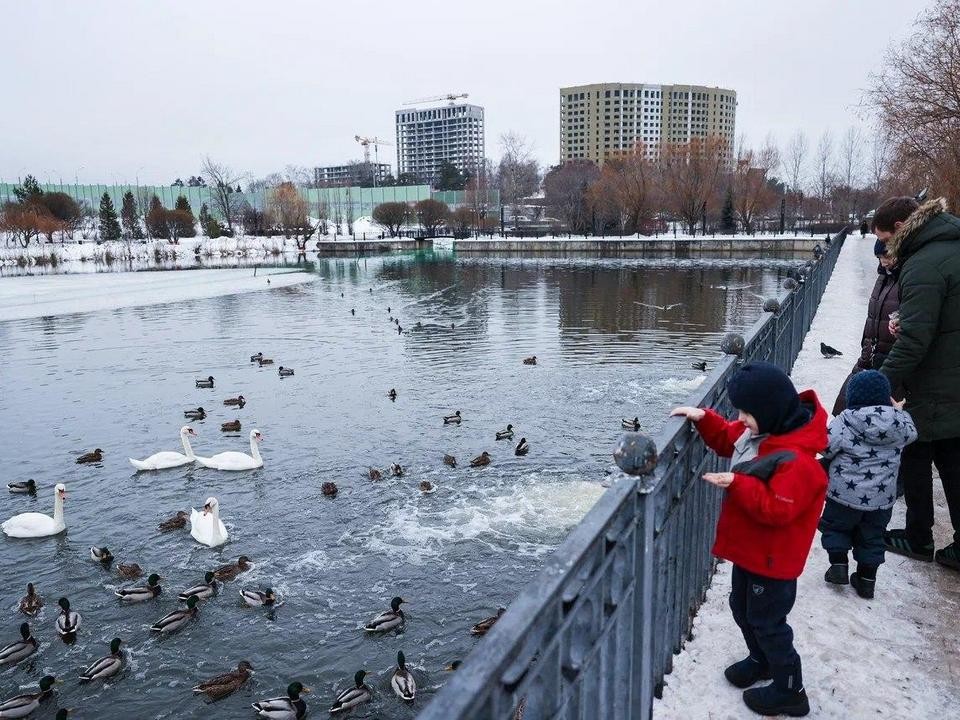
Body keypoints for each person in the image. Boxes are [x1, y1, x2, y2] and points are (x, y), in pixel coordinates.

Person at [671, 362, 828, 718]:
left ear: (769, 413)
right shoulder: (762, 431)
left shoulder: (798, 461)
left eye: (746, 412)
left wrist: (738, 483)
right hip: (753, 553)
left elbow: (778, 509)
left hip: (773, 560)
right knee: (742, 608)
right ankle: (761, 660)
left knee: (769, 622)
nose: (741, 419)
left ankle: (791, 690)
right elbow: (730, 437)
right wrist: (702, 418)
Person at [875, 196, 960, 571]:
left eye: (886, 240)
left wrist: (880, 383)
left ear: (899, 228)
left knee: (927, 451)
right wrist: (906, 317)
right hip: (949, 371)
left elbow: (916, 341)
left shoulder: (924, 263)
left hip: (940, 378)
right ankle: (928, 536)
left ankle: (919, 537)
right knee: (938, 454)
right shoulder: (948, 244)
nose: (886, 250)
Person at [819, 371, 917, 598]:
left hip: (842, 494)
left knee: (836, 527)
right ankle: (866, 580)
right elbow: (913, 433)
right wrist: (899, 412)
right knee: (872, 537)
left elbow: (825, 447)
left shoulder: (845, 419)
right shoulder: (899, 423)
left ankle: (839, 566)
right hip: (881, 500)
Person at [831, 238, 903, 416]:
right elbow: (873, 316)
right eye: (879, 257)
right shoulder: (883, 277)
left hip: (888, 357)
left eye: (886, 256)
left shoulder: (902, 278)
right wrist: (866, 347)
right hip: (871, 355)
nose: (883, 261)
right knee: (845, 409)